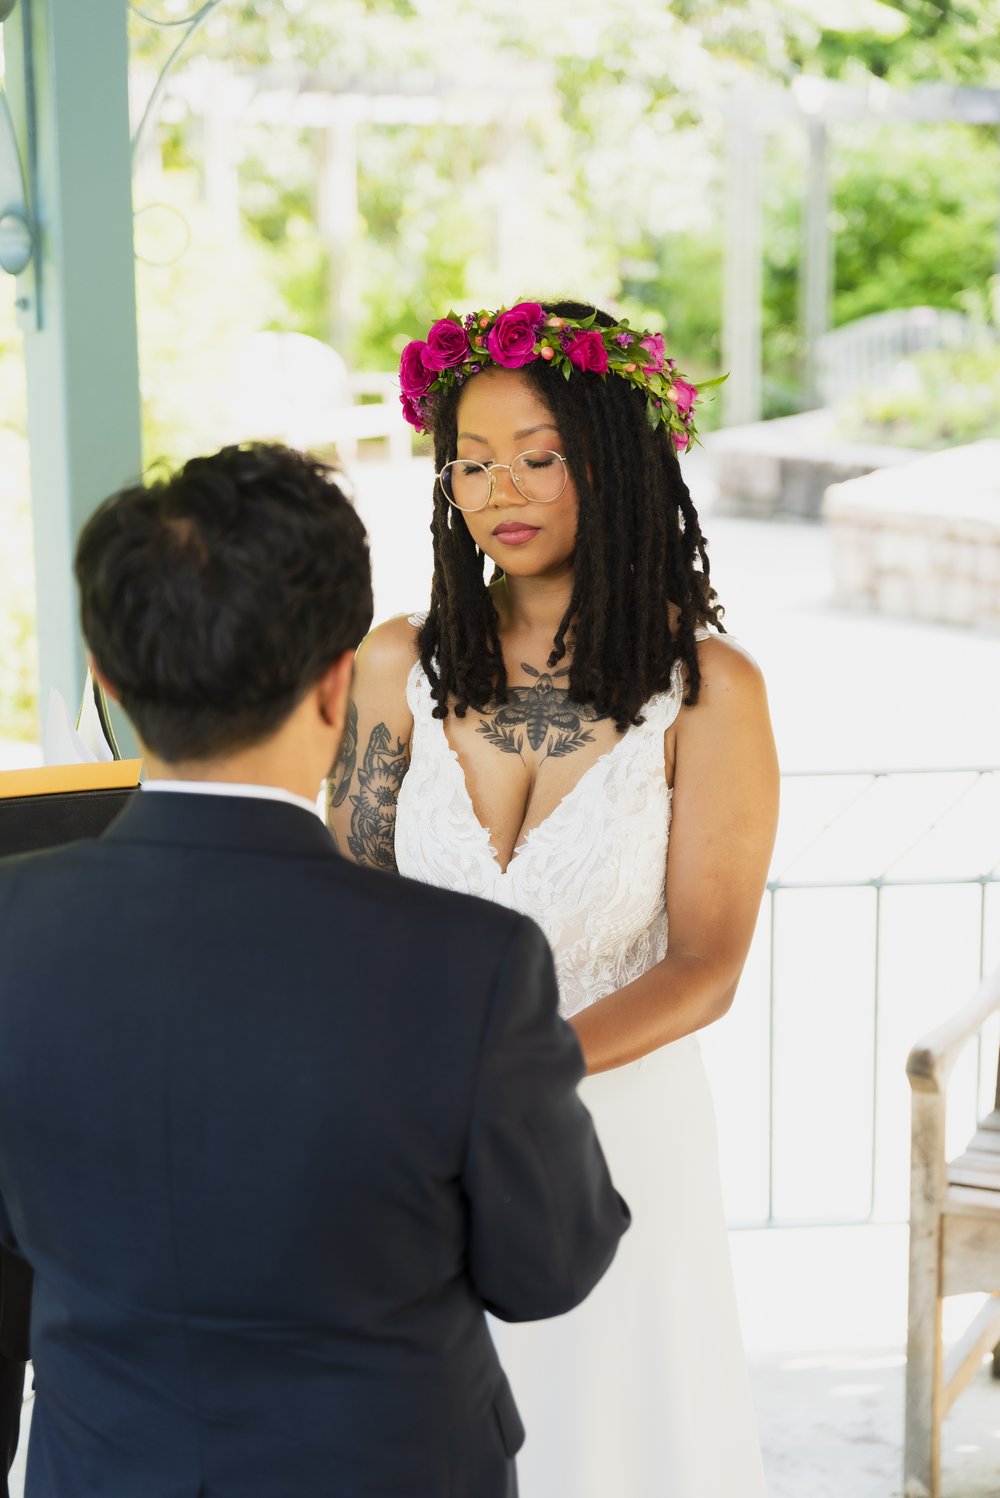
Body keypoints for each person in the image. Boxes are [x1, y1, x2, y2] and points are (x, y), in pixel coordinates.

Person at [0, 443, 629, 1498]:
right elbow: (547, 1267)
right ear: (338, 681)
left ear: (107, 682)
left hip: (101, 1468)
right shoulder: (470, 964)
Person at [328, 302, 780, 1496]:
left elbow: (706, 963)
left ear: (615, 462)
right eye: (470, 461)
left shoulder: (709, 691)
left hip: (617, 1140)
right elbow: (343, 904)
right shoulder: (393, 665)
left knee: (616, 1445)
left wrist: (518, 1071)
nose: (497, 488)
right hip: (412, 1142)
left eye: (536, 454)